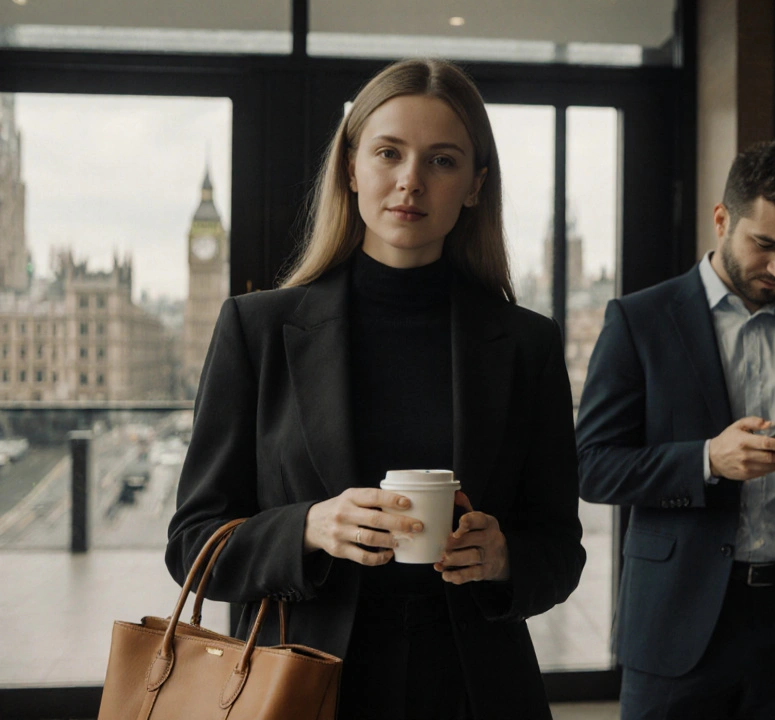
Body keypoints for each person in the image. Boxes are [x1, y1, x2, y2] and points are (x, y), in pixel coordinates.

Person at [166, 58, 585, 720]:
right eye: (388, 152)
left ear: (475, 186)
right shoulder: (258, 330)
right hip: (300, 688)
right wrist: (308, 526)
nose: (409, 181)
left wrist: (504, 557)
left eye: (442, 161)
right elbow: (193, 544)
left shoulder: (526, 345)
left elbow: (561, 553)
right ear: (350, 168)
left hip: (475, 689)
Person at [576, 138, 775, 719]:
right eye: (766, 244)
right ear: (721, 219)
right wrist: (705, 460)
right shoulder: (639, 320)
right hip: (677, 620)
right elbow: (592, 465)